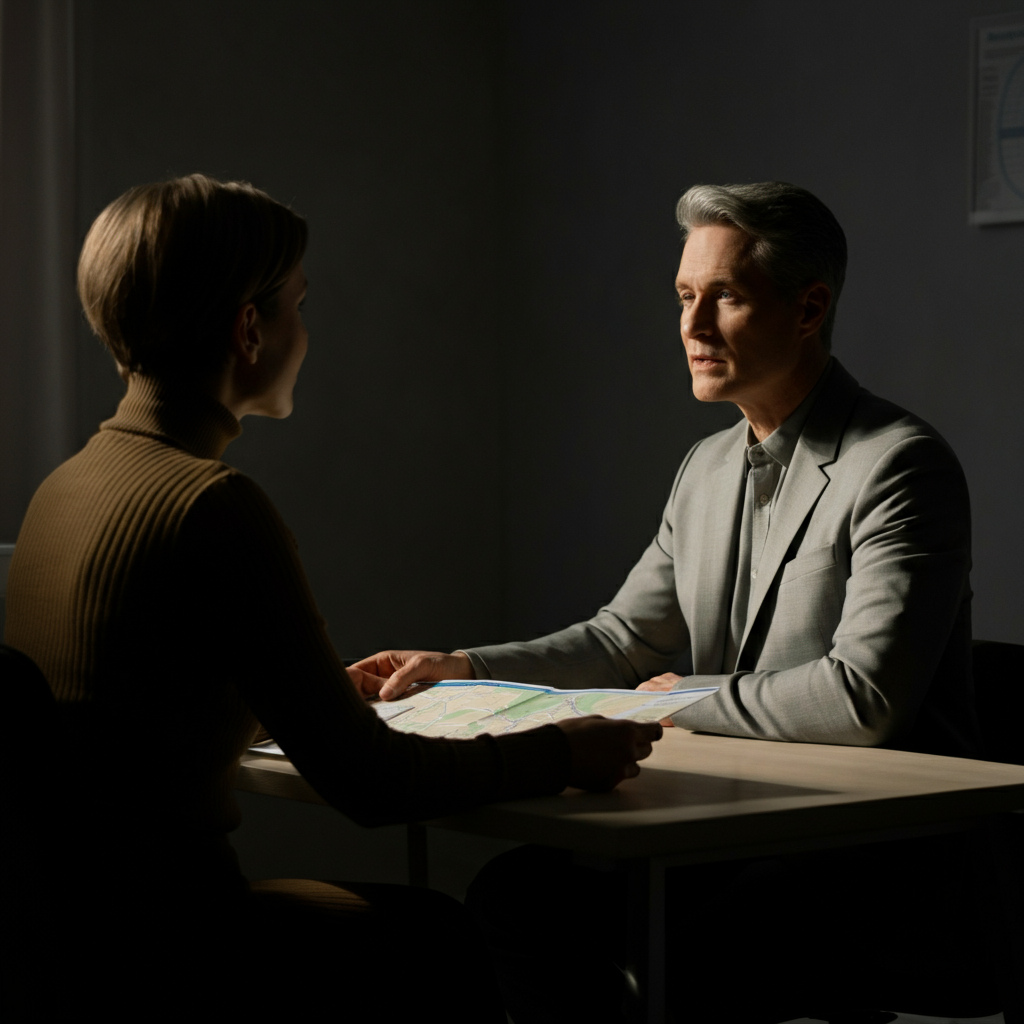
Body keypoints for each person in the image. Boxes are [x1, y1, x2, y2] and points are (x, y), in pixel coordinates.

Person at [3, 174, 662, 1018]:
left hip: (72, 935)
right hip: (177, 939)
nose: (306, 336)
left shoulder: (63, 489)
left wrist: (293, 698)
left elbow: (130, 716)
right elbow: (373, 784)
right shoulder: (213, 507)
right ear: (249, 327)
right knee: (437, 937)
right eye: (299, 308)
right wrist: (562, 753)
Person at [352, 183, 995, 1021]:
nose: (690, 329)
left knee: (683, 956)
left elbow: (863, 698)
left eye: (723, 297)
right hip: (744, 827)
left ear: (809, 308)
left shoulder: (900, 465)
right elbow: (623, 641)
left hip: (874, 861)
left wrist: (685, 699)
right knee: (514, 898)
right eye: (686, 297)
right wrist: (460, 667)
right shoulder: (706, 469)